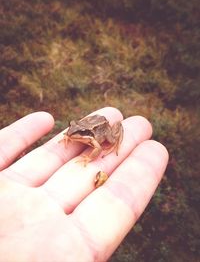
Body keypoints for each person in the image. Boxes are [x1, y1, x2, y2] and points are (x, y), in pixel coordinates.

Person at [0, 107, 168, 262]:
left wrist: (88, 158)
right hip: (90, 124)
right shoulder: (75, 131)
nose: (71, 132)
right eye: (71, 127)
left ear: (84, 132)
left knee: (109, 140)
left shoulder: (92, 138)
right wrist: (69, 135)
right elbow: (73, 129)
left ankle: (116, 143)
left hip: (99, 128)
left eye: (78, 131)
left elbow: (98, 149)